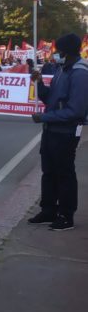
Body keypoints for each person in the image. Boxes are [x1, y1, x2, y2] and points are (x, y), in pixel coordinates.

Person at [28, 33, 88, 231]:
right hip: (51, 130)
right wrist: (39, 83)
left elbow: (76, 111)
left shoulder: (80, 73)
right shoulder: (61, 70)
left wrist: (45, 117)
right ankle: (48, 210)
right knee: (49, 172)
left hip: (66, 132)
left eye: (58, 51)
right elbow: (51, 99)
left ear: (66, 52)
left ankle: (66, 215)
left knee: (64, 174)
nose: (56, 54)